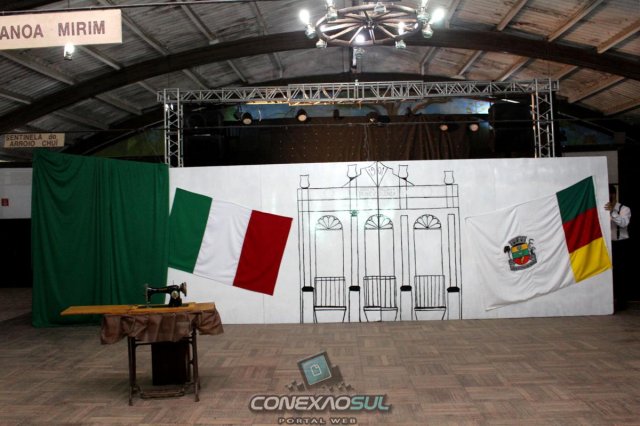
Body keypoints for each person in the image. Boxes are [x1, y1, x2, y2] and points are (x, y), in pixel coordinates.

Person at [605, 184, 631, 311]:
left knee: (620, 274)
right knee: (608, 273)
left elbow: (624, 223)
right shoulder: (604, 209)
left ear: (614, 195)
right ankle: (609, 300)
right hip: (608, 245)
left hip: (621, 245)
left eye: (610, 195)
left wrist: (613, 212)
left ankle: (621, 302)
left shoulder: (624, 209)